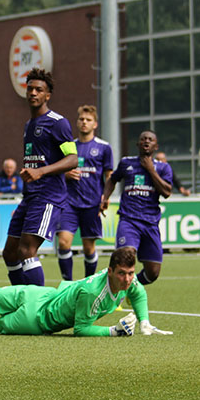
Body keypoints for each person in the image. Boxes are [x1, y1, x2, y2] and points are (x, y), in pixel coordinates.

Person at [0, 247, 171, 336]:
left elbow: (139, 293)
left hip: (39, 294)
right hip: (36, 320)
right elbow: (81, 329)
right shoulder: (93, 294)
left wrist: (145, 322)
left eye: (130, 273)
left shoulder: (128, 282)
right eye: (122, 274)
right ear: (109, 271)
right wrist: (113, 331)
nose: (128, 279)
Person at [2, 68, 78, 286]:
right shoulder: (29, 125)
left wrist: (40, 171)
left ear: (47, 95)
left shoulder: (58, 122)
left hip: (48, 197)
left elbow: (73, 159)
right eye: (30, 89)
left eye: (39, 89)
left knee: (27, 250)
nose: (33, 93)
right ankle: (20, 300)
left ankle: (38, 306)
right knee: (10, 252)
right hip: (30, 197)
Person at [101, 130, 173, 285]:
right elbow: (112, 180)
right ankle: (114, 295)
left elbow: (167, 192)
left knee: (152, 272)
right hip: (129, 220)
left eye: (150, 139)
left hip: (150, 223)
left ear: (156, 146)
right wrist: (105, 197)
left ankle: (131, 289)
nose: (146, 141)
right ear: (138, 144)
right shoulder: (126, 163)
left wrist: (150, 170)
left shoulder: (163, 168)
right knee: (125, 256)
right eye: (143, 139)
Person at [54, 104, 113, 280]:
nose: (84, 122)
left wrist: (106, 196)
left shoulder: (104, 147)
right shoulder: (68, 146)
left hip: (92, 203)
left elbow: (109, 174)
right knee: (64, 242)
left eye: (88, 120)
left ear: (95, 124)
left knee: (89, 247)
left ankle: (88, 282)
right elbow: (57, 170)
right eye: (81, 119)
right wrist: (65, 174)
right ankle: (68, 284)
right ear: (77, 122)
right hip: (68, 203)